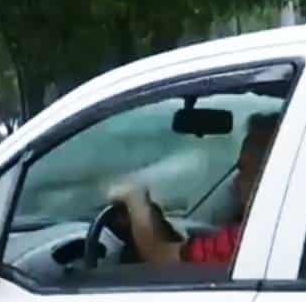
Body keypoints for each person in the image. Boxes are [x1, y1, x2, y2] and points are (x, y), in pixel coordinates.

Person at [112, 112, 280, 267]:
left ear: (269, 176)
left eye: (244, 170)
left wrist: (136, 202)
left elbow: (165, 260)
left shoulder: (253, 241)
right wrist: (153, 217)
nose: (235, 181)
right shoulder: (278, 234)